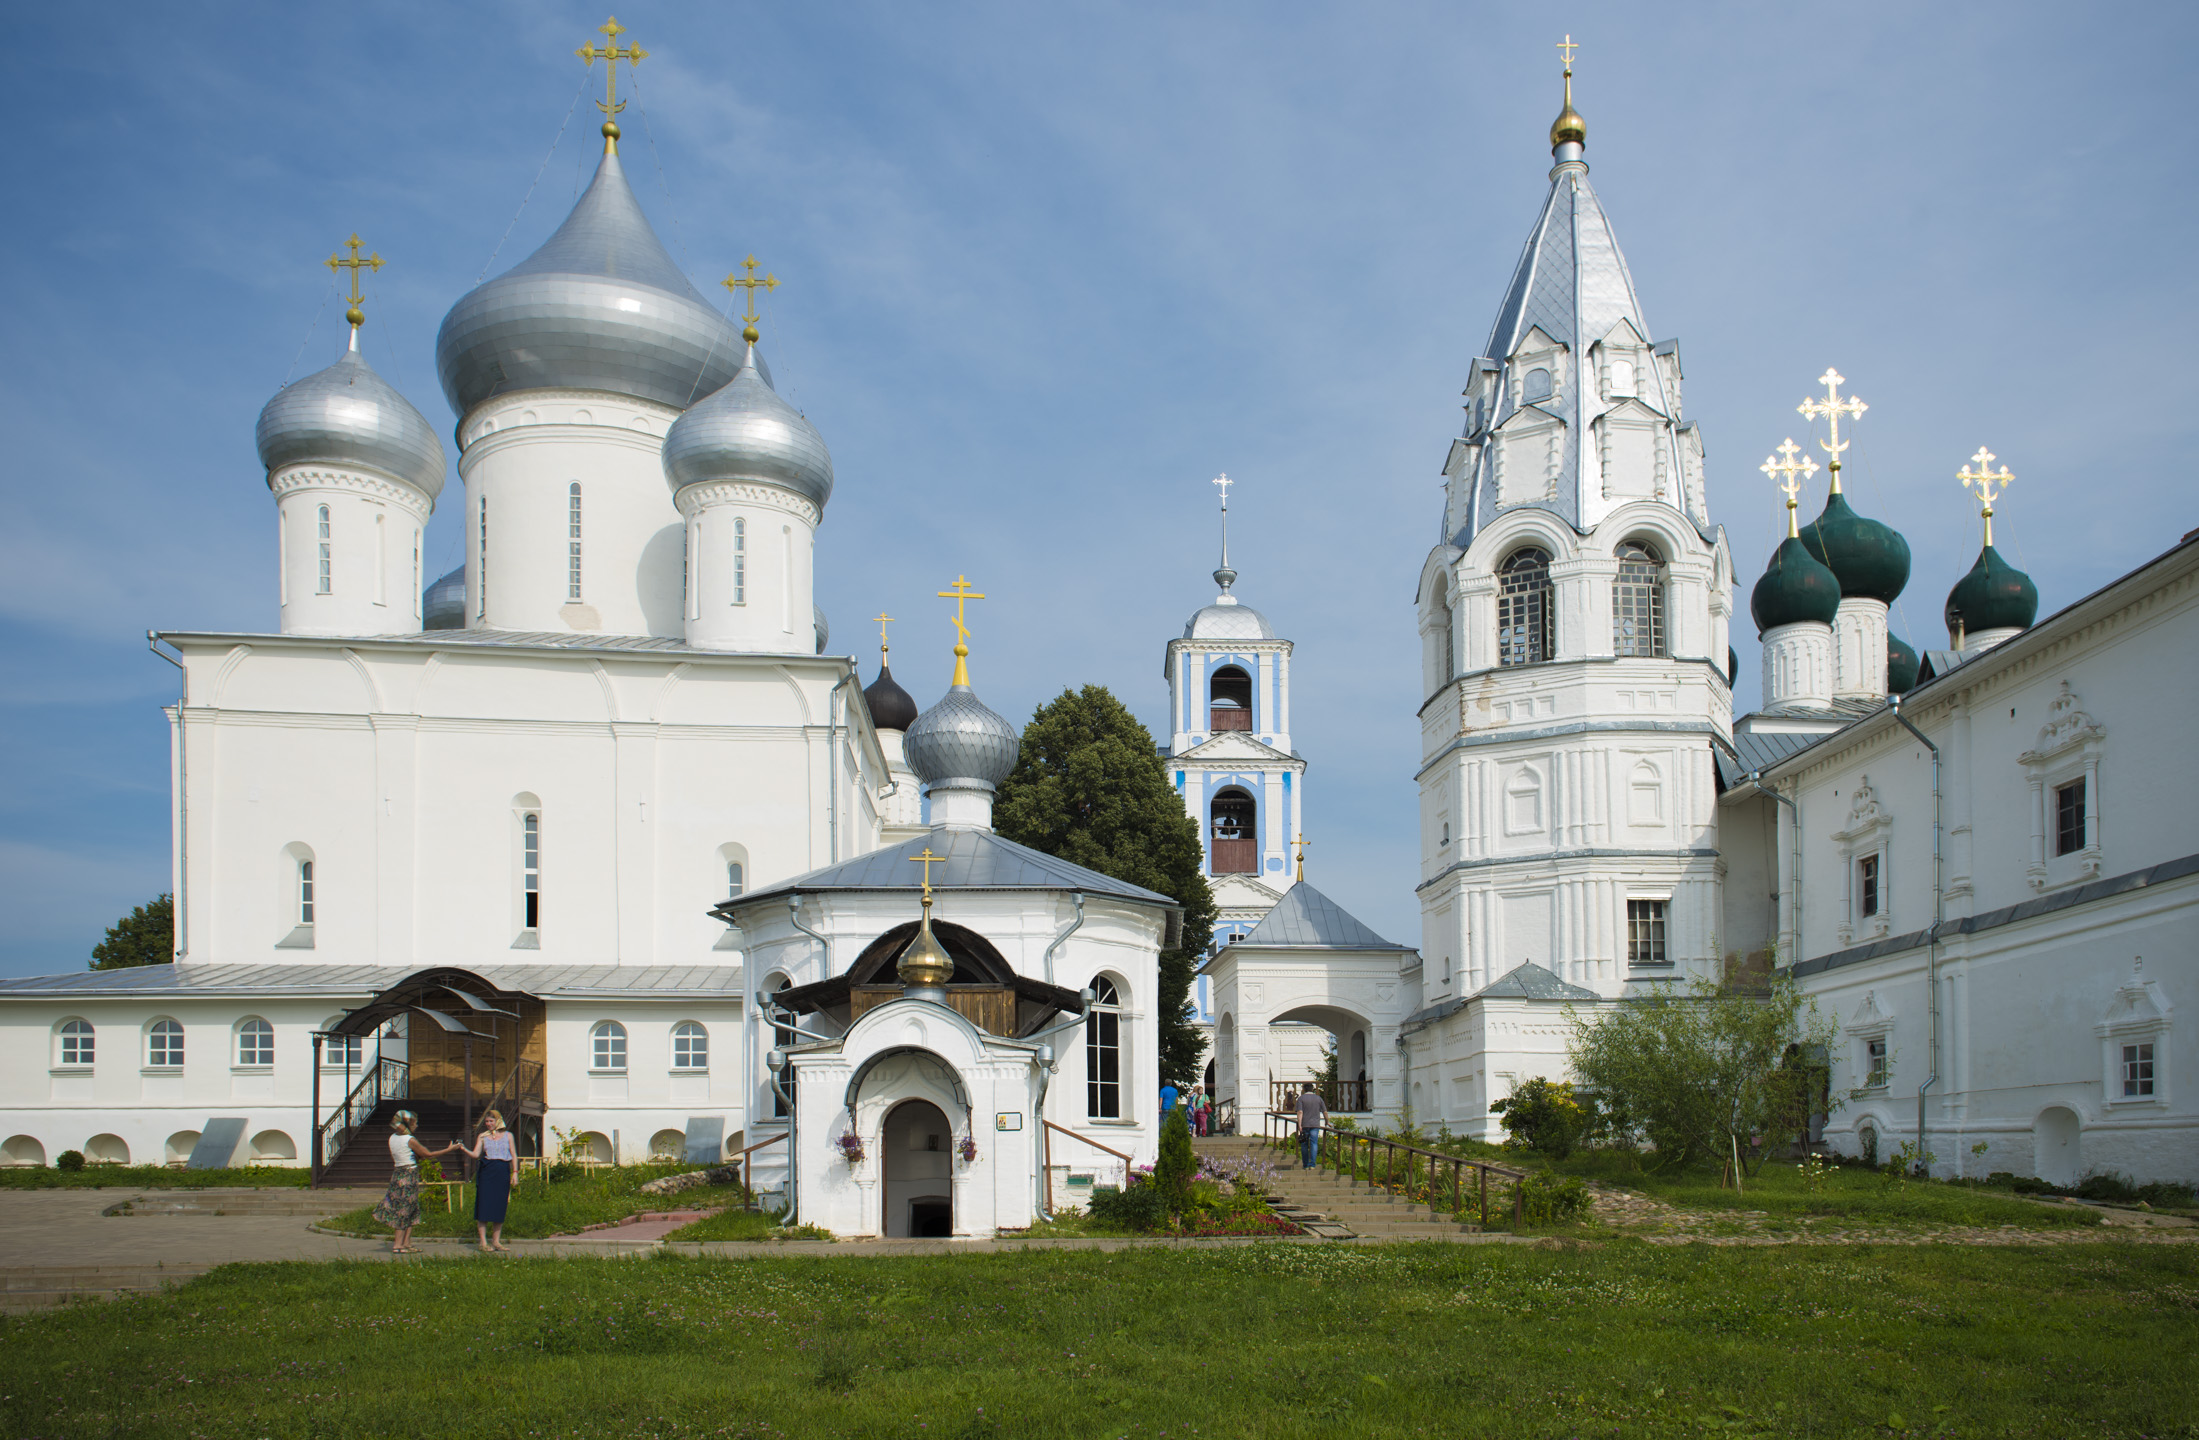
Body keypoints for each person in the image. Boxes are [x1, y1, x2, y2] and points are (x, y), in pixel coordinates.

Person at [447, 1109, 517, 1252]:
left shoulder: (508, 1136)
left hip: (502, 1170)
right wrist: (463, 1148)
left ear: (497, 1121)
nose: (488, 1124)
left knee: (499, 1205)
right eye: (486, 1121)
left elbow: (514, 1155)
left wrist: (515, 1173)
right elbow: (475, 1154)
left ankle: (496, 1241)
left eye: (491, 1121)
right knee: (484, 1204)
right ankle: (483, 1242)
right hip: (487, 1171)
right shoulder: (482, 1137)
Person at [372, 1110, 440, 1254]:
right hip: (408, 1176)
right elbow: (427, 1154)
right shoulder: (409, 1139)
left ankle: (407, 1243)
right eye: (415, 1122)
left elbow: (395, 1156)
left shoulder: (392, 1137)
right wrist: (450, 1149)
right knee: (404, 1209)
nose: (417, 1125)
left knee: (411, 1208)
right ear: (407, 1124)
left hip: (398, 1173)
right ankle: (398, 1245)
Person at [1296, 1083, 1327, 1171]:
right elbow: (1325, 1111)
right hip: (1315, 1124)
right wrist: (1327, 1121)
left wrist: (1299, 1124)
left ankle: (1305, 1165)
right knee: (1314, 1144)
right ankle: (1312, 1164)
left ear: (1304, 1089)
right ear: (1312, 1089)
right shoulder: (1318, 1098)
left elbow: (1300, 1112)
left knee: (1304, 1145)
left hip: (1305, 1124)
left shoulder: (1301, 1099)